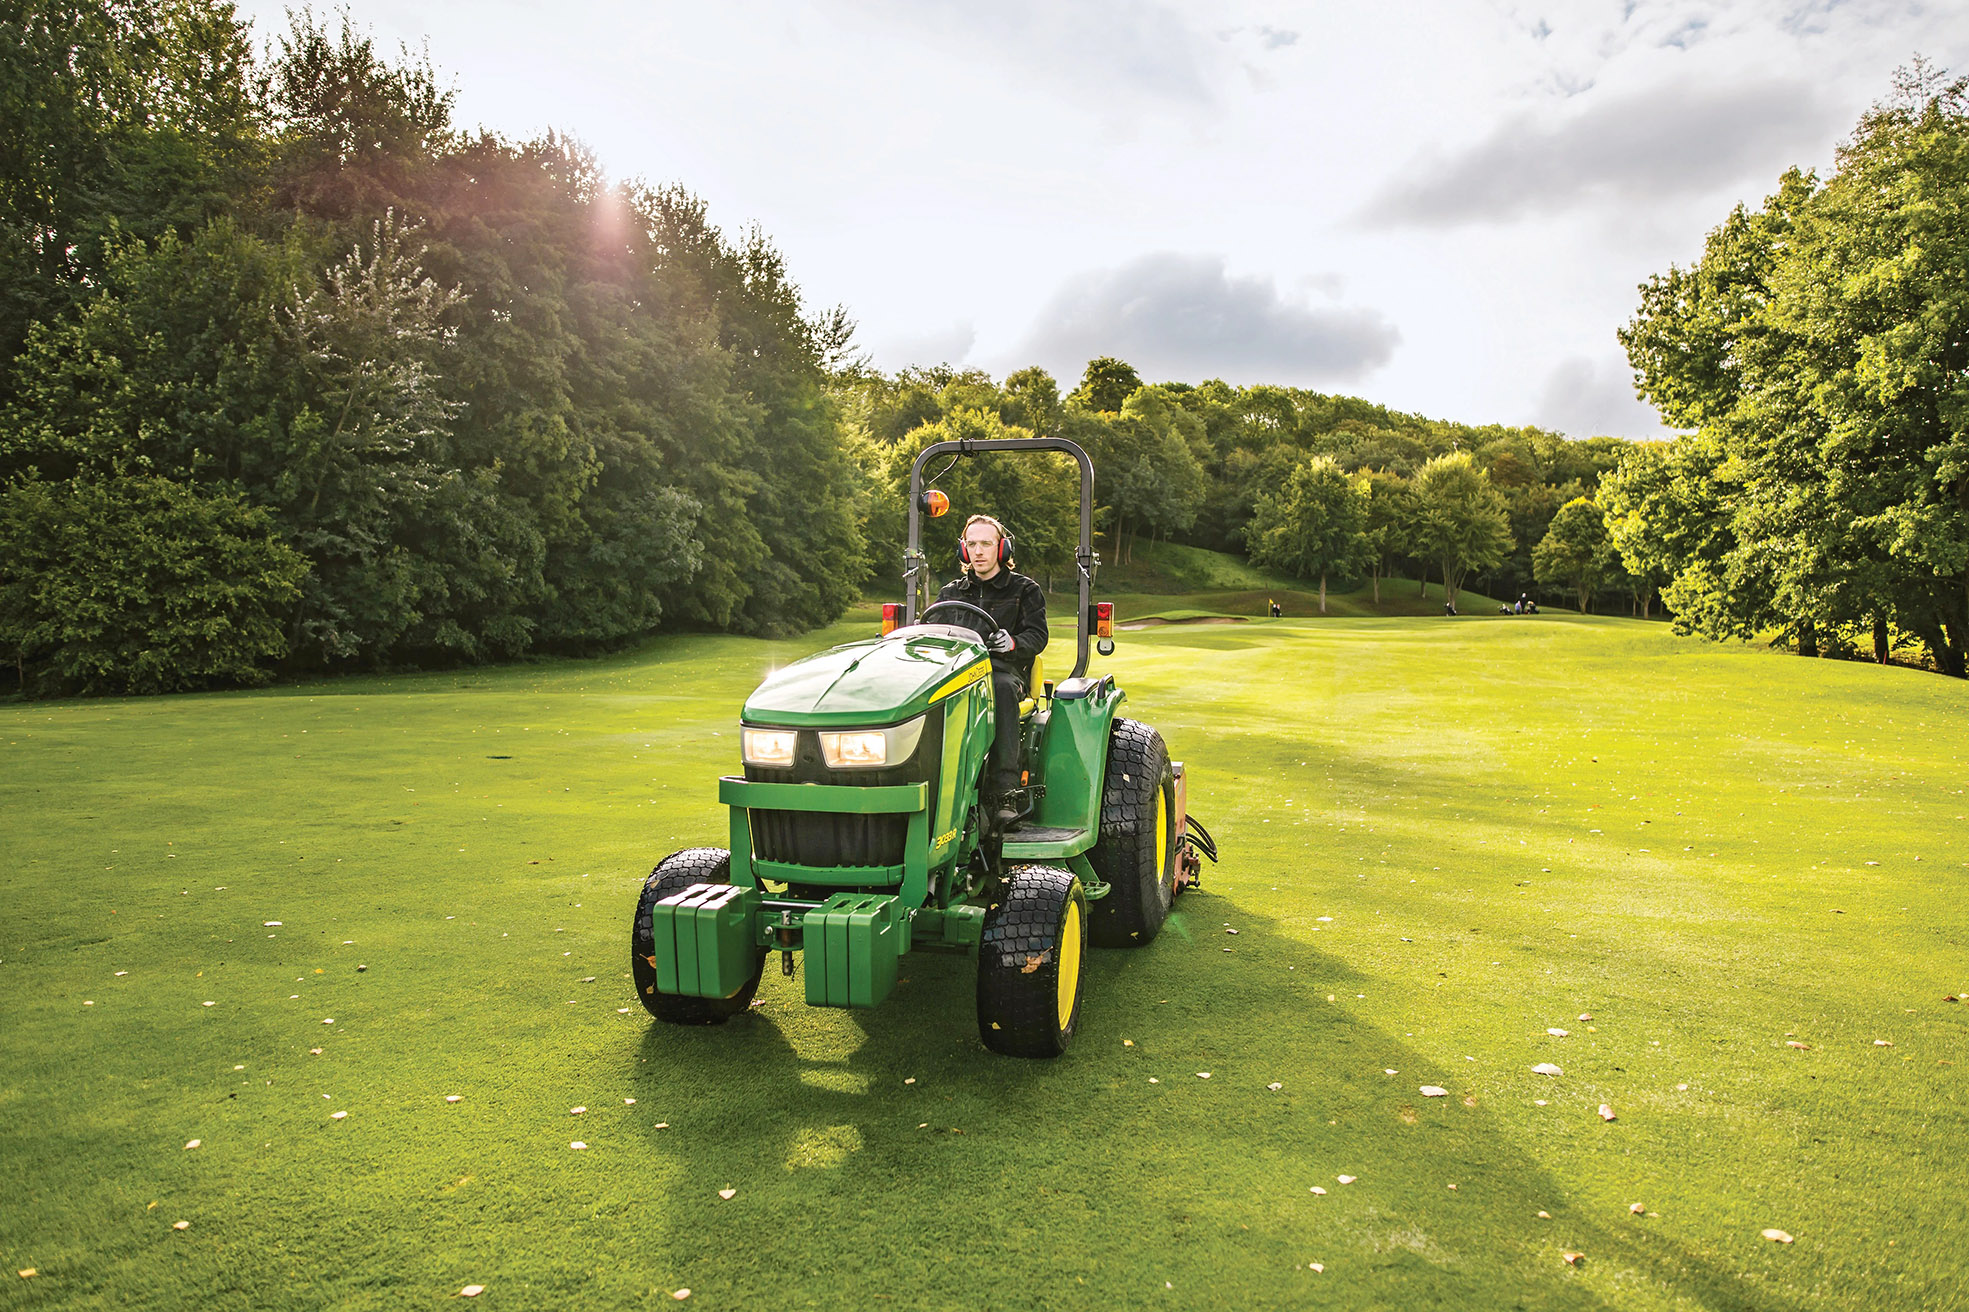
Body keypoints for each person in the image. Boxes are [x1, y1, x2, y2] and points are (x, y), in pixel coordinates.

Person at [936, 515, 1049, 821]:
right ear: (963, 550)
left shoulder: (1024, 590)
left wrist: (1012, 643)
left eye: (986, 543)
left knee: (998, 688)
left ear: (1002, 549)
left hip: (1003, 672)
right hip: (957, 674)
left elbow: (1037, 635)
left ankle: (1004, 795)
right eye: (971, 544)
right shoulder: (950, 594)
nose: (978, 551)